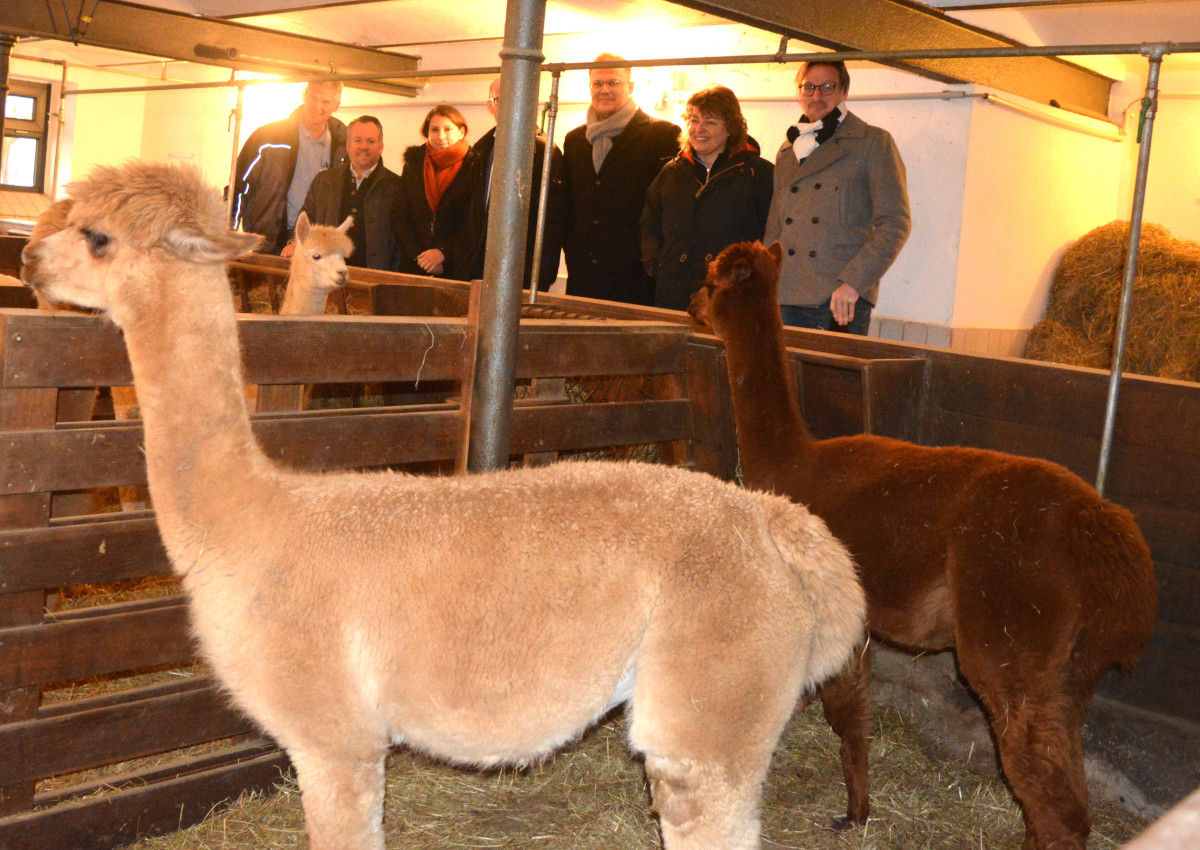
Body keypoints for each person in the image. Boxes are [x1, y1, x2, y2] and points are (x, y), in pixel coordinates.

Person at [763, 60, 910, 335]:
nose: (816, 96)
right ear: (799, 92)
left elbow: (895, 223)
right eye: (808, 87)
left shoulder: (873, 142)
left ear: (844, 91)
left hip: (838, 298)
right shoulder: (787, 150)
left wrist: (854, 284)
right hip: (785, 297)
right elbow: (775, 230)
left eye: (827, 87)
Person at [640, 86, 773, 311]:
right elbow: (649, 223)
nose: (699, 129)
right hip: (673, 294)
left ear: (731, 128)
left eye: (711, 122)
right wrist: (655, 262)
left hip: (729, 299)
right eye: (694, 120)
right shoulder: (671, 172)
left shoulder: (757, 174)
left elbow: (771, 233)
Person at [562, 53, 681, 305]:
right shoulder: (574, 141)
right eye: (598, 83)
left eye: (613, 82)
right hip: (584, 274)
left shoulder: (663, 135)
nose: (604, 89)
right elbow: (569, 206)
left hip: (636, 277)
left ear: (631, 86)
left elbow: (669, 209)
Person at [461, 77, 567, 291]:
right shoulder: (478, 152)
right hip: (480, 266)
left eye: (515, 98)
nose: (509, 105)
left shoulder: (546, 153)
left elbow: (553, 220)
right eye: (501, 99)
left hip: (523, 269)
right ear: (490, 105)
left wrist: (542, 274)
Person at [232, 81, 347, 254]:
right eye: (313, 98)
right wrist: (229, 233)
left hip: (317, 246)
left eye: (326, 102)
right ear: (304, 95)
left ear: (337, 105)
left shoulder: (345, 146)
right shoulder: (268, 137)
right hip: (268, 242)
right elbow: (238, 187)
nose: (318, 106)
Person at [289, 115, 402, 271]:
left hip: (374, 278)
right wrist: (295, 242)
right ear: (348, 146)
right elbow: (307, 218)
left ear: (381, 147)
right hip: (326, 275)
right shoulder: (324, 181)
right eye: (357, 141)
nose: (364, 146)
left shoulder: (397, 186)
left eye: (371, 141)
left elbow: (401, 240)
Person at [394, 104, 482, 280]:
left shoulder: (475, 166)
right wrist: (421, 257)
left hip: (457, 267)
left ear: (461, 132)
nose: (440, 136)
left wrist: (443, 253)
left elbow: (474, 222)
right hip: (415, 265)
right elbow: (399, 216)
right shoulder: (413, 164)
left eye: (447, 129)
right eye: (434, 130)